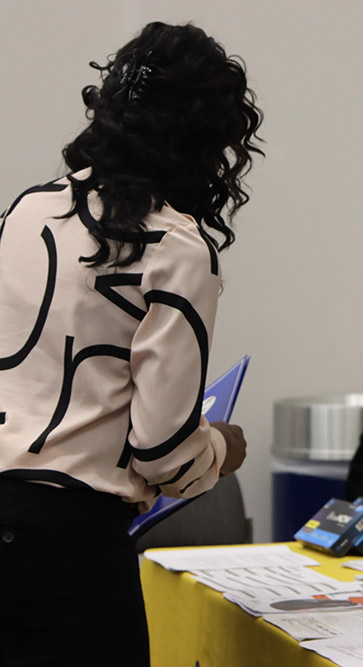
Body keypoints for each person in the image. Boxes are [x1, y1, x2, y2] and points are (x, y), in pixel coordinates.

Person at [0, 22, 262, 666]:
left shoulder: (25, 212)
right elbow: (162, 452)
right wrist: (220, 448)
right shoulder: (176, 247)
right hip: (68, 553)